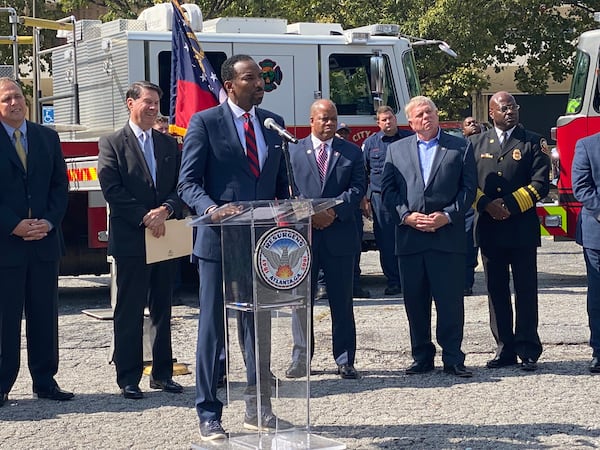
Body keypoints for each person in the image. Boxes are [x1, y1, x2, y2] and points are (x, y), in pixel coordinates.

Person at [177, 54, 290, 441]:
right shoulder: (205, 123)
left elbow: (279, 189)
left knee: (256, 330)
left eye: (260, 78)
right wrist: (212, 209)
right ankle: (209, 412)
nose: (259, 83)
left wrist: (290, 213)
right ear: (229, 86)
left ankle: (259, 408)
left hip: (260, 248)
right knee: (213, 330)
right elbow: (187, 183)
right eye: (250, 78)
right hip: (218, 242)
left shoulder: (272, 126)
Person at [98, 81, 183, 399]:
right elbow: (112, 188)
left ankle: (162, 373)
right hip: (132, 238)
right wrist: (146, 217)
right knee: (130, 309)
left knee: (163, 307)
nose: (153, 108)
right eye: (147, 102)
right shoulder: (112, 143)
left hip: (164, 237)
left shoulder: (168, 144)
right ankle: (128, 376)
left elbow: (180, 186)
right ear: (130, 103)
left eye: (156, 102)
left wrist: (166, 210)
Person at [381, 96, 476, 378]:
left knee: (449, 302)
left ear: (437, 115)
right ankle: (421, 355)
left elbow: (468, 189)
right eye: (420, 114)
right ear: (410, 122)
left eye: (430, 112)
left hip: (447, 236)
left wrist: (447, 215)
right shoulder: (396, 150)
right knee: (416, 302)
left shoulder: (460, 147)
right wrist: (406, 216)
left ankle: (453, 357)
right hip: (411, 238)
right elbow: (388, 191)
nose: (426, 117)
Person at [0, 77, 73, 406]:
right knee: (6, 318)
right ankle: (2, 384)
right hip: (8, 244)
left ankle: (45, 380)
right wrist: (14, 225)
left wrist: (49, 221)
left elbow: (60, 186)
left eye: (17, 96)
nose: (14, 103)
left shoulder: (47, 137)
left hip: (44, 242)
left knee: (45, 315)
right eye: (6, 99)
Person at [285, 99, 366, 380]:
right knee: (300, 302)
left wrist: (333, 211)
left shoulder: (352, 153)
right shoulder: (294, 152)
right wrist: (311, 214)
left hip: (340, 235)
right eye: (324, 119)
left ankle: (345, 358)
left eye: (333, 118)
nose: (329, 123)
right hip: (303, 239)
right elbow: (289, 192)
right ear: (311, 120)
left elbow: (357, 189)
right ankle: (300, 358)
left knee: (342, 301)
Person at [470, 91, 550, 372]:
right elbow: (468, 184)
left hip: (521, 228)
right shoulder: (476, 143)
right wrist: (488, 205)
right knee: (496, 289)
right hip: (490, 228)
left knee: (526, 289)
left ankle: (528, 348)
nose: (510, 112)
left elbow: (541, 184)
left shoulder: (533, 141)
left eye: (513, 107)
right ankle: (504, 348)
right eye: (504, 108)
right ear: (491, 113)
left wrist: (510, 205)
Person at [362, 105, 413, 296]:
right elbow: (363, 172)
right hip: (380, 199)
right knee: (386, 241)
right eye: (384, 120)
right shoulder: (370, 143)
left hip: (407, 196)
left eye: (390, 118)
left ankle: (410, 279)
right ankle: (393, 281)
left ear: (395, 119)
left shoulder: (409, 138)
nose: (388, 122)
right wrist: (365, 198)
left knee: (409, 238)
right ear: (378, 123)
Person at [570, 134, 600, 372]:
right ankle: (599, 350)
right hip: (597, 234)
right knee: (598, 296)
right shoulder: (587, 145)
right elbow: (581, 187)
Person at [461, 116, 482, 296]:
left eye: (475, 122)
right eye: (468, 124)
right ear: (463, 131)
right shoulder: (459, 148)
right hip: (468, 205)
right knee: (468, 244)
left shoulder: (489, 145)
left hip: (489, 202)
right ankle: (466, 283)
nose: (473, 125)